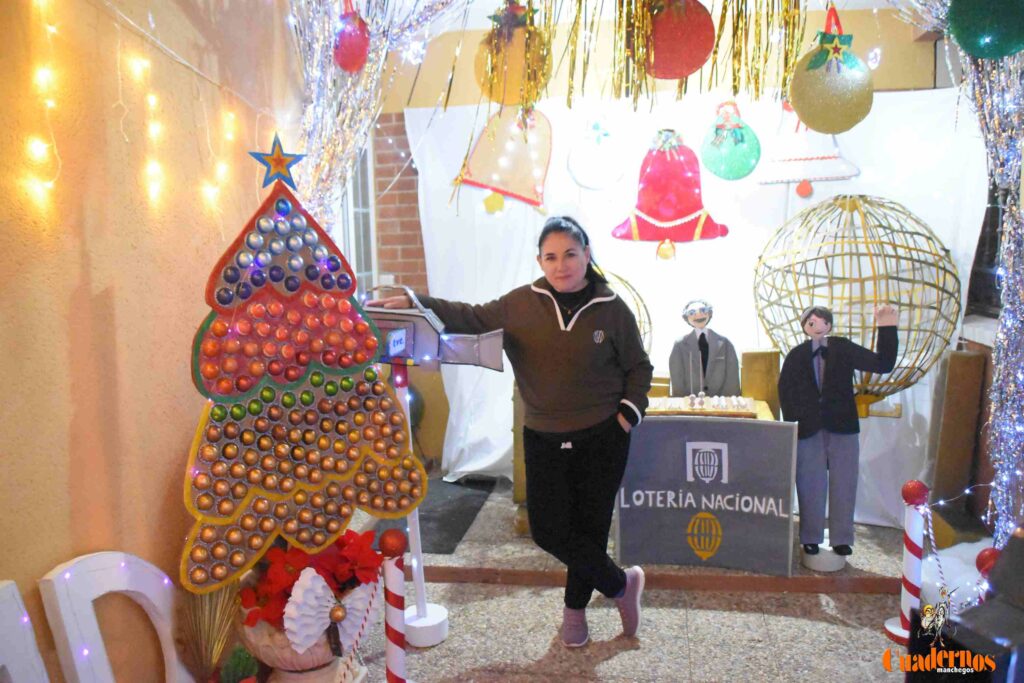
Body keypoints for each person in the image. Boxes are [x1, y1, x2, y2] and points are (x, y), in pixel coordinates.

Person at [368, 216, 653, 647]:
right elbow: (469, 316)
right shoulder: (521, 304)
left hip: (602, 438)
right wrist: (415, 299)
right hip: (544, 436)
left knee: (590, 530)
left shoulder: (612, 309)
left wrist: (627, 415)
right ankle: (621, 585)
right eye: (551, 257)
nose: (561, 265)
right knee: (549, 530)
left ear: (587, 254)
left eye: (570, 254)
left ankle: (574, 613)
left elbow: (639, 368)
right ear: (539, 261)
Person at [778, 304, 898, 558]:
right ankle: (810, 536)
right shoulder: (796, 355)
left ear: (830, 325)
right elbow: (785, 391)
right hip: (808, 429)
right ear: (804, 326)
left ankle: (842, 537)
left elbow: (882, 363)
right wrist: (795, 424)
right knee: (809, 483)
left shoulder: (843, 347)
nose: (818, 327)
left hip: (842, 425)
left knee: (845, 481)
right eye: (812, 323)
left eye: (823, 322)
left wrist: (887, 327)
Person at [668, 299, 741, 397]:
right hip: (690, 402)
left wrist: (725, 401)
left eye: (703, 310)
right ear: (687, 317)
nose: (698, 315)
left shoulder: (725, 343)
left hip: (720, 402)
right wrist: (685, 401)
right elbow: (677, 379)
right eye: (692, 312)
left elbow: (732, 378)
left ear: (709, 313)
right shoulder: (680, 345)